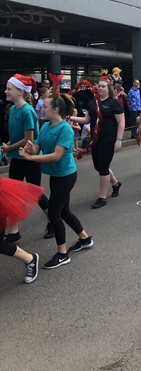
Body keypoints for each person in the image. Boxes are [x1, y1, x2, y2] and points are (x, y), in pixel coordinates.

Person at [20, 91, 93, 269]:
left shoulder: (65, 129)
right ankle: (84, 239)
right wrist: (31, 149)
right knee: (64, 211)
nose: (41, 109)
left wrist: (31, 159)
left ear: (55, 109)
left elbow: (56, 156)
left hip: (66, 175)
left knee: (54, 213)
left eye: (44, 107)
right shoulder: (45, 126)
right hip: (56, 175)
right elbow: (37, 148)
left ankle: (62, 254)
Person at [2, 74, 53, 241]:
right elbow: (18, 136)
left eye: (9, 89)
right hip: (17, 157)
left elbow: (28, 139)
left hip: (30, 158)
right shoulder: (13, 110)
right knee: (11, 194)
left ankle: (52, 221)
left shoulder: (27, 110)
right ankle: (14, 231)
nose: (5, 91)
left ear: (20, 91)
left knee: (35, 194)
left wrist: (9, 147)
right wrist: (10, 144)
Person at [70, 78, 124, 209]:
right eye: (99, 86)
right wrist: (69, 117)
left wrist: (119, 140)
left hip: (109, 138)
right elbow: (86, 119)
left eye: (103, 86)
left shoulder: (114, 103)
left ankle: (102, 197)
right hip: (95, 139)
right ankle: (115, 184)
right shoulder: (93, 102)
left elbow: (121, 122)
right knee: (98, 166)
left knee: (103, 167)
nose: (100, 88)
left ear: (108, 88)